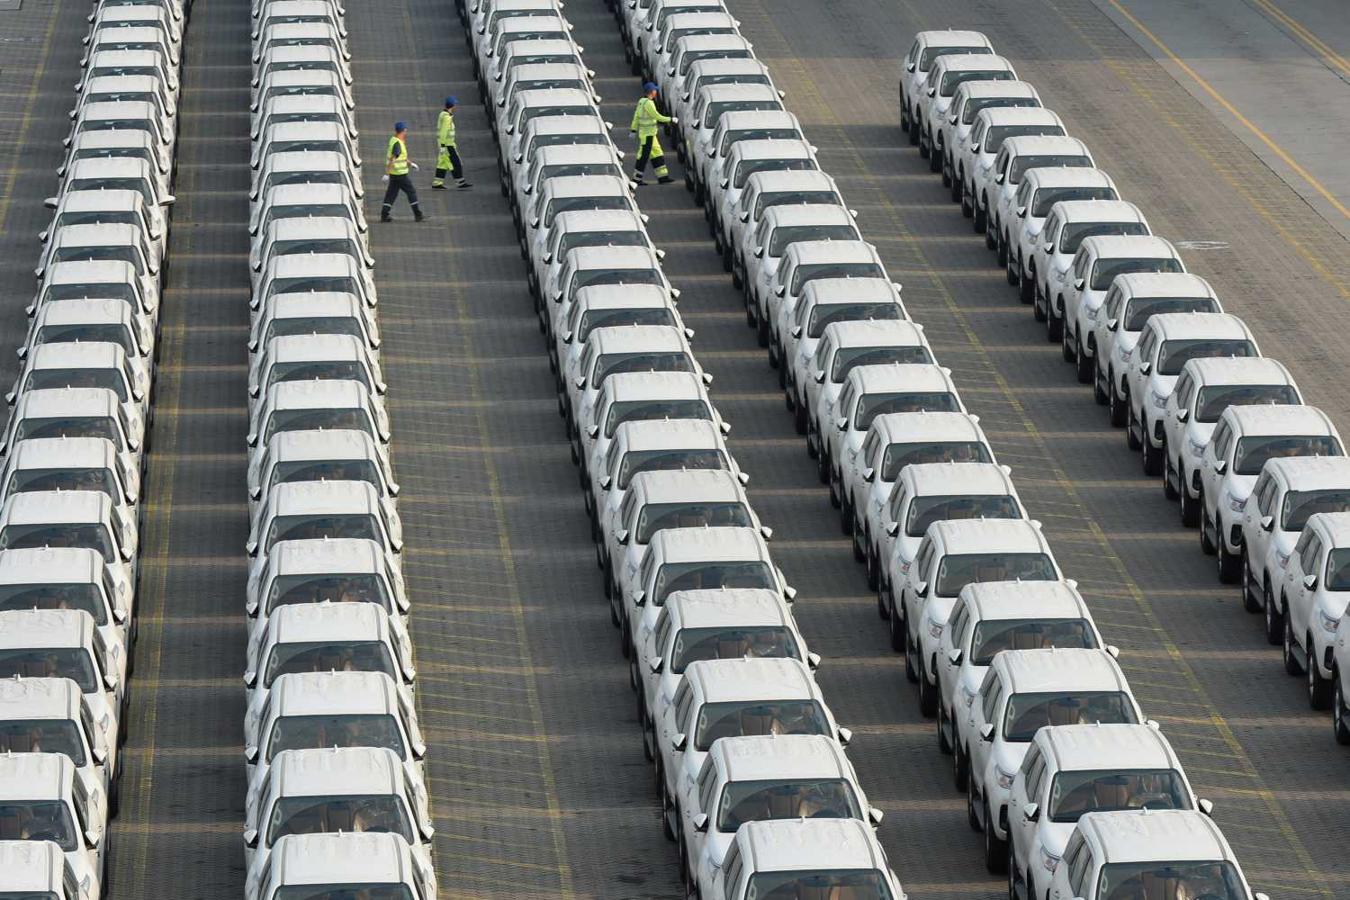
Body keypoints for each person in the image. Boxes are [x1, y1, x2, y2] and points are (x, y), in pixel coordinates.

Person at [630, 82, 677, 185]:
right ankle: (637, 179)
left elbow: (636, 117)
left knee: (657, 153)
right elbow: (656, 116)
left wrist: (633, 130)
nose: (656, 92)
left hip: (649, 134)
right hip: (648, 136)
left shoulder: (641, 101)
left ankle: (663, 177)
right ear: (651, 92)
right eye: (655, 90)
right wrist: (671, 119)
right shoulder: (649, 103)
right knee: (643, 156)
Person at [381, 121, 424, 222]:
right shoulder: (398, 144)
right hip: (400, 175)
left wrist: (411, 164)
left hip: (394, 175)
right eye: (406, 130)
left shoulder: (394, 140)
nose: (406, 132)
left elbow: (401, 157)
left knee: (391, 194)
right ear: (404, 131)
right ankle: (418, 214)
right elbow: (393, 158)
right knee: (411, 192)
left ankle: (384, 214)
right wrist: (387, 173)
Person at [432, 96, 471, 189]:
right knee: (456, 162)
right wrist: (442, 145)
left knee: (442, 163)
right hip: (447, 144)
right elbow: (443, 132)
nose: (456, 107)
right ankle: (460, 181)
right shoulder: (447, 118)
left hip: (445, 144)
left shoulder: (443, 114)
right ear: (452, 106)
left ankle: (437, 182)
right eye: (455, 105)